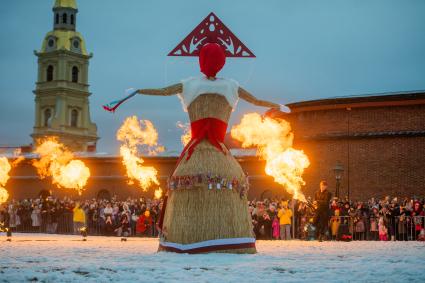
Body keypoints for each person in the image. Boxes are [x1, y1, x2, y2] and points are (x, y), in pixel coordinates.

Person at [106, 43, 280, 253]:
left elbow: (163, 91)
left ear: (200, 62)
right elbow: (256, 100)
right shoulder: (231, 86)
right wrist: (278, 106)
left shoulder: (189, 85)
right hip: (222, 157)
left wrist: (136, 92)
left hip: (195, 154)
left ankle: (187, 238)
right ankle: (230, 239)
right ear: (222, 62)